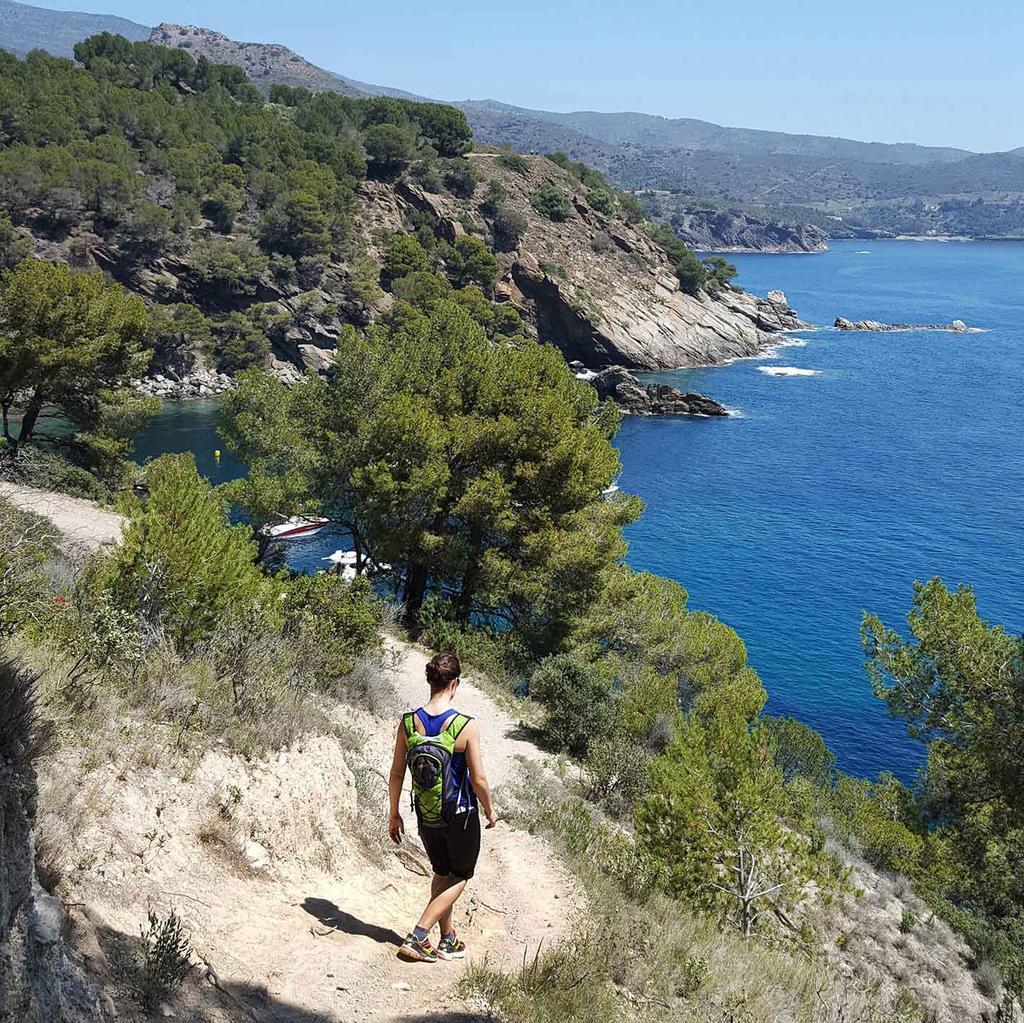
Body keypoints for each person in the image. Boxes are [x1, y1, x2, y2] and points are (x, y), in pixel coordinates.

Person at [388, 651, 496, 963]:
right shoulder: (465, 726)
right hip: (460, 817)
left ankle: (447, 938)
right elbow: (479, 778)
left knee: (441, 871)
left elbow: (396, 773)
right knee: (460, 875)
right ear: (455, 683)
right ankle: (419, 936)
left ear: (430, 682)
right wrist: (489, 808)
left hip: (426, 814)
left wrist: (394, 813)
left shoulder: (408, 724)